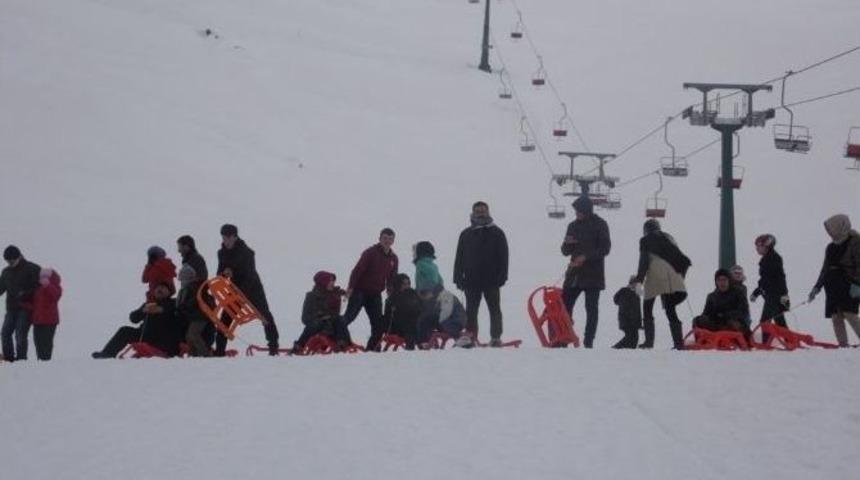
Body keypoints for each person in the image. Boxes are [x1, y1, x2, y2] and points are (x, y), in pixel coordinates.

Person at [216, 224, 280, 355]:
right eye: (223, 237)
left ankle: (274, 347)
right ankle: (219, 351)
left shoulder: (247, 252)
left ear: (235, 237)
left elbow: (250, 275)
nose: (225, 240)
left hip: (253, 288)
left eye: (228, 237)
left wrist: (241, 293)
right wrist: (225, 273)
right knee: (225, 318)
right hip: (235, 288)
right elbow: (220, 275)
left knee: (264, 315)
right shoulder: (222, 253)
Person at [453, 201, 509, 347]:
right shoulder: (466, 234)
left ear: (488, 212)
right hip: (471, 280)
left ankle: (496, 337)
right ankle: (471, 336)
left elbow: (504, 256)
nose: (481, 213)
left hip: (492, 280)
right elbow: (459, 257)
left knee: (495, 309)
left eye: (483, 211)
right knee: (471, 311)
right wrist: (458, 277)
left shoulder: (497, 233)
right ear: (473, 213)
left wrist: (503, 276)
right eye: (478, 211)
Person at [561, 196, 611, 348]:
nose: (577, 214)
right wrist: (567, 244)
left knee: (591, 309)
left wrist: (586, 257)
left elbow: (605, 249)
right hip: (574, 274)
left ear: (587, 210)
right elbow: (564, 251)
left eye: (579, 211)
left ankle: (588, 342)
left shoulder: (600, 224)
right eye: (576, 211)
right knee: (565, 305)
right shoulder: (572, 226)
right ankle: (564, 338)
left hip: (593, 275)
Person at [633, 219, 690, 349]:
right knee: (670, 308)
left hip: (656, 272)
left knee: (647, 306)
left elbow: (644, 262)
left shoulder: (645, 240)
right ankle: (678, 344)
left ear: (646, 230)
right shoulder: (669, 239)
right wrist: (680, 278)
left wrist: (639, 281)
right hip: (674, 274)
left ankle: (648, 342)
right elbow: (681, 259)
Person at [343, 228, 399, 351]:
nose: (387, 241)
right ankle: (339, 340)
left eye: (390, 239)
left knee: (378, 324)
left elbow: (392, 278)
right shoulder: (370, 253)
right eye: (385, 238)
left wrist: (391, 293)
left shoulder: (394, 259)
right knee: (349, 317)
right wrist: (350, 287)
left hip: (375, 294)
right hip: (359, 291)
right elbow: (357, 270)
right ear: (379, 238)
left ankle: (373, 348)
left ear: (393, 241)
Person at [808, 214, 860, 347]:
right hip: (832, 286)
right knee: (836, 316)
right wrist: (817, 287)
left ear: (840, 226)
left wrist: (857, 284)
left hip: (849, 284)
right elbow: (825, 269)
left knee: (850, 313)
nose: (830, 232)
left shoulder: (855, 241)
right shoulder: (830, 247)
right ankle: (843, 345)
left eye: (831, 228)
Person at [92, 283, 182, 358]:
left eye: (163, 288)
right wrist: (143, 311)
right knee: (125, 331)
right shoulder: (148, 304)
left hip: (163, 339)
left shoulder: (174, 302)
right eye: (157, 288)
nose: (159, 289)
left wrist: (160, 309)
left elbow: (172, 310)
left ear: (169, 292)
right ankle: (107, 354)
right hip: (144, 336)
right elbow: (133, 318)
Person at [0, 245, 41, 362]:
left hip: (26, 308)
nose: (10, 262)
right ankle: (8, 359)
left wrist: (26, 293)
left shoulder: (32, 268)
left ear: (19, 256)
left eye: (13, 259)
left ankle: (21, 359)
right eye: (8, 260)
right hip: (11, 308)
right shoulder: (6, 272)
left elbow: (41, 287)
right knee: (5, 333)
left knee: (20, 333)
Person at [293, 271, 347, 352]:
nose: (332, 283)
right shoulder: (312, 296)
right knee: (316, 323)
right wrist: (321, 317)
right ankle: (299, 345)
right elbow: (305, 317)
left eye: (333, 281)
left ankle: (342, 343)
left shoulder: (335, 294)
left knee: (340, 319)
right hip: (318, 326)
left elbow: (336, 312)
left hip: (332, 327)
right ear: (323, 282)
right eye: (330, 281)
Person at [750, 234, 790, 341]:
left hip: (775, 295)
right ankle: (789, 340)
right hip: (771, 295)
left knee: (765, 320)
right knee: (779, 320)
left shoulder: (773, 259)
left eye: (759, 246)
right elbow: (764, 281)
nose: (757, 249)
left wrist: (784, 294)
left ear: (767, 245)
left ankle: (766, 342)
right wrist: (756, 292)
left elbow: (779, 278)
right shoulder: (766, 260)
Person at [693, 269, 752, 338]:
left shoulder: (738, 293)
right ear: (716, 282)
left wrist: (726, 315)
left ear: (729, 281)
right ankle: (701, 341)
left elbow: (743, 311)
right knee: (698, 320)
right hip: (717, 324)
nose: (722, 283)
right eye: (719, 280)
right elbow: (706, 313)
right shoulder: (712, 296)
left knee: (732, 323)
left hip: (733, 323)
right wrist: (714, 315)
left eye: (724, 280)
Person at [176, 264, 210, 357]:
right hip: (194, 316)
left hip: (200, 316)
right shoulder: (186, 289)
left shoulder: (195, 287)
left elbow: (195, 300)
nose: (182, 281)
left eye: (184, 278)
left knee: (193, 334)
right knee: (189, 336)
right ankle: (193, 355)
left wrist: (184, 305)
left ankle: (205, 355)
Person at [383, 274, 422, 349]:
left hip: (411, 324)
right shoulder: (393, 298)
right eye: (404, 284)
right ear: (398, 285)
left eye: (408, 283)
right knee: (411, 327)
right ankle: (411, 350)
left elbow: (420, 307)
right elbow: (393, 316)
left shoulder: (413, 294)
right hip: (396, 328)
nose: (407, 286)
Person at [32, 268, 62, 361]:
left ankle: (46, 359)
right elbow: (34, 303)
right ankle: (40, 359)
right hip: (38, 320)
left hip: (50, 321)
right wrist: (22, 302)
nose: (43, 279)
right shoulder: (38, 289)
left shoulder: (56, 287)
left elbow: (55, 296)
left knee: (47, 341)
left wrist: (48, 286)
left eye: (46, 277)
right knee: (37, 341)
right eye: (41, 277)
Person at [612, 276, 642, 349]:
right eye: (636, 284)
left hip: (632, 322)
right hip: (627, 321)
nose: (639, 287)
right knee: (630, 337)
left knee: (634, 338)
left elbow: (637, 311)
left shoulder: (636, 295)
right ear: (631, 284)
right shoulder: (626, 292)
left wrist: (639, 323)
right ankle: (615, 348)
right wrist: (633, 321)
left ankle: (629, 351)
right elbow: (627, 308)